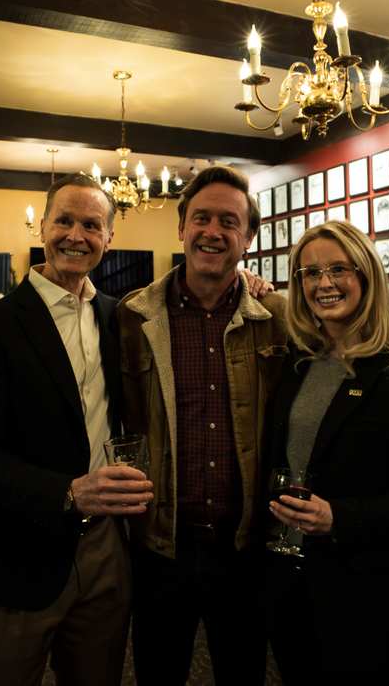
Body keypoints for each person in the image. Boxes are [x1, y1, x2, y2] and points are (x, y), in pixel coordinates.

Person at [0, 173, 151, 685]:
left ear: (109, 238)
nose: (75, 236)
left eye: (91, 225)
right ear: (42, 227)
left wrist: (247, 279)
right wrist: (68, 492)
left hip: (105, 549)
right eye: (64, 221)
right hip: (17, 551)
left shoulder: (118, 318)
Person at [117, 165, 288, 685]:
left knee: (243, 673)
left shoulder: (278, 317)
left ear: (248, 237)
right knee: (158, 673)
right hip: (161, 546)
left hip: (244, 546)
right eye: (202, 218)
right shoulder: (132, 317)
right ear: (181, 228)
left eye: (229, 222)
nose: (213, 232)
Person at [264, 221, 389, 684]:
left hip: (363, 592)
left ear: (366, 275)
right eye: (310, 273)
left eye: (338, 269)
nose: (324, 283)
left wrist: (337, 518)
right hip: (289, 580)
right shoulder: (298, 363)